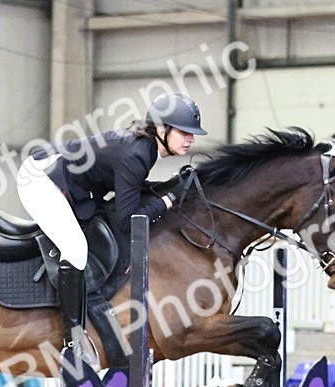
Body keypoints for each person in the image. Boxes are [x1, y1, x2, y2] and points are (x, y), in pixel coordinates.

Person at [16, 92, 207, 360]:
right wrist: (168, 200)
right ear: (162, 129)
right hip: (40, 179)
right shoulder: (138, 154)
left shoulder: (146, 150)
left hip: (71, 183)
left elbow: (132, 194)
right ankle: (74, 342)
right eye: (185, 132)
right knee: (75, 250)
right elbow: (128, 220)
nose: (191, 138)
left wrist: (168, 189)